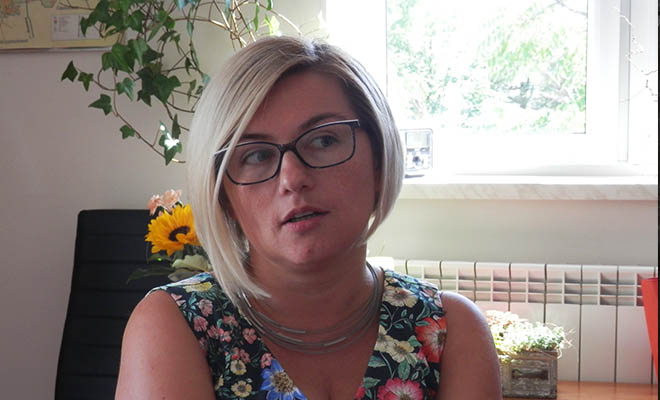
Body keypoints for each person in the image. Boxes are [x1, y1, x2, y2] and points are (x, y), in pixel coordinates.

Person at [116, 36, 501, 399]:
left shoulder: (451, 329)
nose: (293, 178)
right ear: (224, 195)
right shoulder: (176, 324)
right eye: (255, 155)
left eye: (323, 140)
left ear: (379, 161)